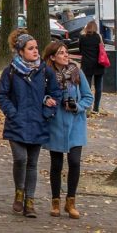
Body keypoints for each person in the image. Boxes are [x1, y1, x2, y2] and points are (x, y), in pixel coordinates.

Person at [0, 30, 55, 218]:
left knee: (32, 163)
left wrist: (47, 111)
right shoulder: (11, 71)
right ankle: (19, 193)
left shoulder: (45, 71)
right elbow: (1, 95)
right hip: (17, 123)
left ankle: (30, 201)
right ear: (21, 51)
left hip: (38, 123)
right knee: (20, 159)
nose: (36, 51)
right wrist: (12, 113)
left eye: (36, 48)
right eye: (31, 48)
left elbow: (55, 93)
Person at [43, 40, 92, 219]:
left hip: (75, 124)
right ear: (53, 57)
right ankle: (55, 201)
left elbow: (88, 97)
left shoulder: (77, 73)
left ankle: (71, 202)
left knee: (75, 161)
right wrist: (47, 100)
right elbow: (41, 94)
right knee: (56, 164)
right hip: (56, 124)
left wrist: (77, 106)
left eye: (66, 52)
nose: (66, 55)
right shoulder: (47, 75)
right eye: (61, 53)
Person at [77, 21, 106, 115]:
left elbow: (80, 50)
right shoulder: (98, 37)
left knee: (87, 87)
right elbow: (102, 49)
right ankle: (96, 108)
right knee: (98, 87)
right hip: (99, 64)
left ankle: (87, 108)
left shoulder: (82, 37)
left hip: (87, 65)